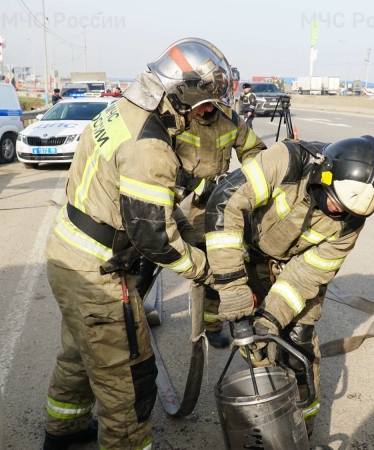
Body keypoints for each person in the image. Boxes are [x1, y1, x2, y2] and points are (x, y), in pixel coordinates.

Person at [42, 37, 232, 450]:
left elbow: (144, 203)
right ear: (185, 93)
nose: (207, 113)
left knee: (80, 353)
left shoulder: (123, 110)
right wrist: (203, 269)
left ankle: (64, 431)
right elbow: (153, 236)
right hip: (99, 274)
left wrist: (178, 220)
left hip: (70, 256)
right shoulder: (151, 147)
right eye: (206, 103)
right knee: (129, 381)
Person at [205, 135, 374, 437]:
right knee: (255, 344)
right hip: (251, 253)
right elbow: (225, 201)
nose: (338, 212)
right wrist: (233, 286)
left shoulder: (352, 217)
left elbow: (307, 275)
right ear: (323, 173)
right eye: (334, 201)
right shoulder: (287, 161)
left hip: (295, 267)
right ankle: (266, 416)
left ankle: (301, 430)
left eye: (347, 211)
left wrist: (271, 318)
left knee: (298, 344)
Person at [174, 101, 266, 348]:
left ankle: (212, 324)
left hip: (218, 199)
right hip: (183, 198)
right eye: (199, 106)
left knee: (219, 261)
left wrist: (252, 181)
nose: (204, 111)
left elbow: (254, 150)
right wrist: (195, 184)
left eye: (210, 105)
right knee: (158, 253)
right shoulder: (179, 119)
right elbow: (158, 159)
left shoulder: (231, 119)